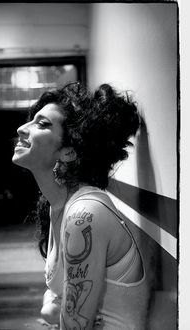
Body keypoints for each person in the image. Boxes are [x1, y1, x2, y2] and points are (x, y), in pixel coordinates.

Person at [12, 82, 149, 329]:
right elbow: (56, 301)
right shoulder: (60, 205)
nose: (22, 128)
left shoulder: (84, 215)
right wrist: (54, 308)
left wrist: (54, 310)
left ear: (69, 152)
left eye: (42, 124)